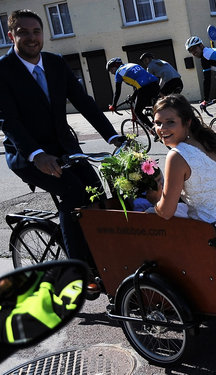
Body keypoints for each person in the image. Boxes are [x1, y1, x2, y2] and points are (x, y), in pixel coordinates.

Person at [0, 9, 123, 291]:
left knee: (96, 191)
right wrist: (36, 155)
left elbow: (84, 102)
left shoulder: (55, 63)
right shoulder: (3, 71)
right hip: (28, 154)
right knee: (72, 192)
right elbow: (10, 121)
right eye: (23, 32)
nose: (31, 38)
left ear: (43, 34)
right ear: (11, 35)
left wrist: (113, 137)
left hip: (65, 148)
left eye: (36, 32)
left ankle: (100, 258)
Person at [146, 94, 216, 237]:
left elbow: (166, 212)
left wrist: (154, 201)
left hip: (211, 235)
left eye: (170, 122)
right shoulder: (214, 141)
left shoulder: (177, 156)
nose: (162, 128)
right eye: (158, 123)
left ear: (187, 122)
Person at [106, 57, 159, 129]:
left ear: (116, 66)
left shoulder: (119, 72)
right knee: (153, 105)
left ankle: (154, 129)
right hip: (155, 83)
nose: (112, 73)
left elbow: (117, 91)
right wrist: (133, 96)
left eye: (111, 70)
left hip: (144, 88)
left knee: (137, 111)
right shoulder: (131, 65)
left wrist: (113, 105)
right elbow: (138, 81)